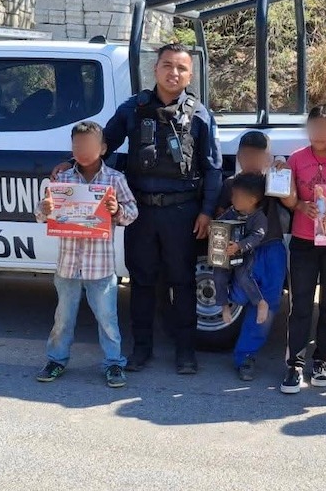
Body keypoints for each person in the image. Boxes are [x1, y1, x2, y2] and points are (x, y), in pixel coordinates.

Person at [52, 43, 222, 375]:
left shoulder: (200, 114)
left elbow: (213, 168)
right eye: (167, 65)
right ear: (155, 69)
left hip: (182, 213)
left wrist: (206, 211)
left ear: (190, 74)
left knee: (183, 282)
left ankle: (186, 353)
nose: (174, 73)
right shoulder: (133, 109)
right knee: (142, 282)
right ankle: (141, 350)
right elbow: (104, 145)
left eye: (181, 68)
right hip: (141, 212)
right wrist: (72, 163)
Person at [35, 121, 139, 387]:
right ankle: (56, 360)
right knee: (63, 317)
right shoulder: (62, 180)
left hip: (101, 266)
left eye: (89, 145)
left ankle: (114, 364)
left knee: (107, 319)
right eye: (77, 145)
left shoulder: (114, 179)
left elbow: (132, 213)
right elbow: (40, 216)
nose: (82, 149)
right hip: (68, 264)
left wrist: (117, 210)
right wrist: (45, 208)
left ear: (103, 148)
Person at [275, 104, 326, 394]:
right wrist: (297, 204)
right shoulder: (295, 159)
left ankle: (321, 361)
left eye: (325, 127)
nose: (319, 133)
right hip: (304, 241)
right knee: (300, 304)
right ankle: (294, 365)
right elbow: (286, 192)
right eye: (314, 126)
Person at [216, 131, 290, 381]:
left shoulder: (274, 180)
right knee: (239, 294)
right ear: (238, 156)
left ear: (267, 157)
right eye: (247, 155)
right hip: (241, 252)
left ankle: (246, 357)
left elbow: (291, 202)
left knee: (268, 303)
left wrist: (283, 173)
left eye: (259, 156)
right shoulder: (230, 184)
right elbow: (220, 220)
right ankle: (226, 310)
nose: (252, 160)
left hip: (271, 249)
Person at [213, 172, 269, 326]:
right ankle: (224, 305)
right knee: (218, 276)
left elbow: (258, 236)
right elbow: (220, 223)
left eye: (237, 197)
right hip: (226, 253)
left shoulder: (258, 217)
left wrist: (240, 246)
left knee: (243, 276)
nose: (232, 199)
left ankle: (260, 302)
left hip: (245, 254)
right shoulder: (232, 211)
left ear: (251, 200)